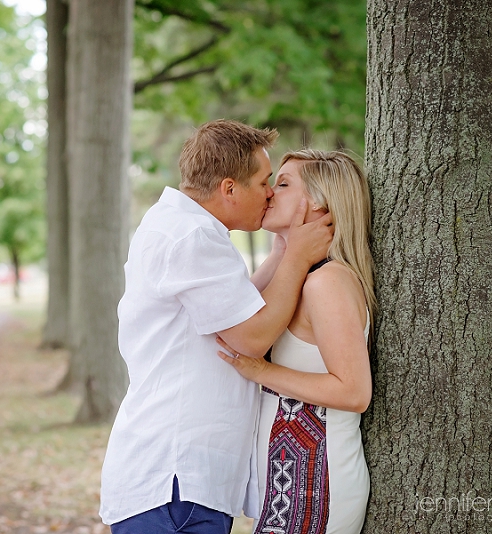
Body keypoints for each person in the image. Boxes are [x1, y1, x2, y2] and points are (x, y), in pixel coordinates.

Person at [100, 121, 334, 534]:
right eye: (264, 182)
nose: (268, 193)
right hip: (174, 483)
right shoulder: (192, 236)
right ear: (229, 189)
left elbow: (239, 306)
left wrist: (282, 250)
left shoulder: (182, 226)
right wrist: (297, 258)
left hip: (181, 484)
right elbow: (251, 337)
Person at [216, 148, 375, 534]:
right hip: (287, 479)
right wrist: (286, 251)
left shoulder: (327, 283)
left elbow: (354, 392)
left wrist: (262, 371)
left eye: (283, 184)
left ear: (320, 202)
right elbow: (232, 324)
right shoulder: (297, 277)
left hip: (317, 480)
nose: (269, 192)